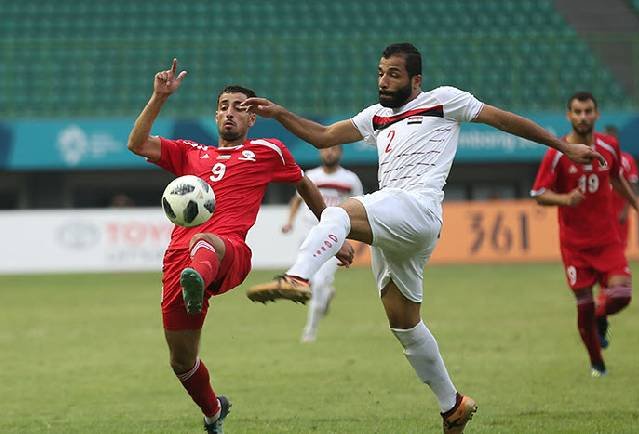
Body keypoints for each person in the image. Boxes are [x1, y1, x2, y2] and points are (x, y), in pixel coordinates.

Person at [243, 42, 605, 433]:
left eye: (393, 74)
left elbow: (504, 120)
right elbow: (323, 135)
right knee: (404, 324)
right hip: (398, 227)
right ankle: (453, 405)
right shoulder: (376, 116)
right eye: (381, 72)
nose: (383, 80)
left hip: (418, 208)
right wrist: (278, 113)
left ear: (416, 80)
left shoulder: (444, 100)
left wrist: (564, 147)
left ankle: (298, 275)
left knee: (340, 211)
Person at [126, 59, 352, 434]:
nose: (231, 113)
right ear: (216, 115)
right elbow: (136, 144)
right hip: (179, 262)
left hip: (228, 252)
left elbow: (305, 185)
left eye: (241, 108)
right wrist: (158, 97)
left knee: (205, 240)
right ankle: (214, 411)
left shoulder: (268, 151)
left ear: (252, 121)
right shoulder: (188, 153)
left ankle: (197, 277)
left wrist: (336, 234)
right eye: (225, 106)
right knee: (182, 361)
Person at [530, 92, 639, 378]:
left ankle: (602, 316)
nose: (583, 116)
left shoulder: (609, 147)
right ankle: (597, 364)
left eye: (588, 111)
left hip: (607, 239)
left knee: (622, 294)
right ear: (569, 115)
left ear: (596, 114)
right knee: (583, 309)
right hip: (575, 246)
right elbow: (538, 193)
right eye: (577, 111)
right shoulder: (557, 153)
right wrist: (565, 200)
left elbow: (616, 178)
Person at [281, 145, 363, 342]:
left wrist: (361, 240)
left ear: (340, 153)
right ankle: (325, 297)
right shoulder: (311, 176)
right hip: (309, 235)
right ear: (320, 152)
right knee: (309, 280)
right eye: (326, 149)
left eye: (334, 149)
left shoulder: (350, 179)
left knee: (316, 284)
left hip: (333, 238)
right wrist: (289, 221)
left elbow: (360, 206)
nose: (330, 152)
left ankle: (310, 330)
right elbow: (297, 200)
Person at [604, 125, 639, 249]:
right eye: (607, 138)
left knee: (619, 247)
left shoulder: (627, 159)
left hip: (619, 211)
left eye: (612, 138)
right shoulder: (597, 158)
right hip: (601, 211)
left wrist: (626, 210)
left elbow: (632, 185)